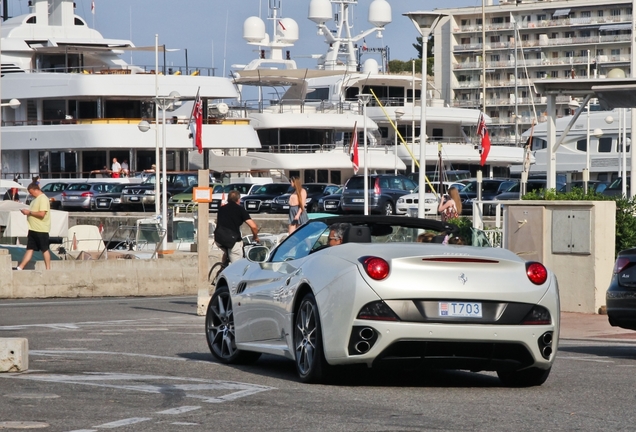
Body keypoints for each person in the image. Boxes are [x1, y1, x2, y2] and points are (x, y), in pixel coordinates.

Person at [214, 190, 259, 263]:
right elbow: (253, 226)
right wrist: (255, 236)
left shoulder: (221, 209)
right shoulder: (240, 209)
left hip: (219, 239)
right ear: (238, 200)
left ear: (228, 199)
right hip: (232, 240)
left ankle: (223, 267)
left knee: (227, 251)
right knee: (237, 266)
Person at [14, 182, 51, 270]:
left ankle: (48, 269)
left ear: (36, 190)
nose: (31, 194)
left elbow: (42, 214)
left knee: (44, 249)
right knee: (30, 248)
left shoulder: (43, 199)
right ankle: (20, 267)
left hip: (41, 229)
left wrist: (29, 212)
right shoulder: (35, 199)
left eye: (31, 192)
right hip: (33, 229)